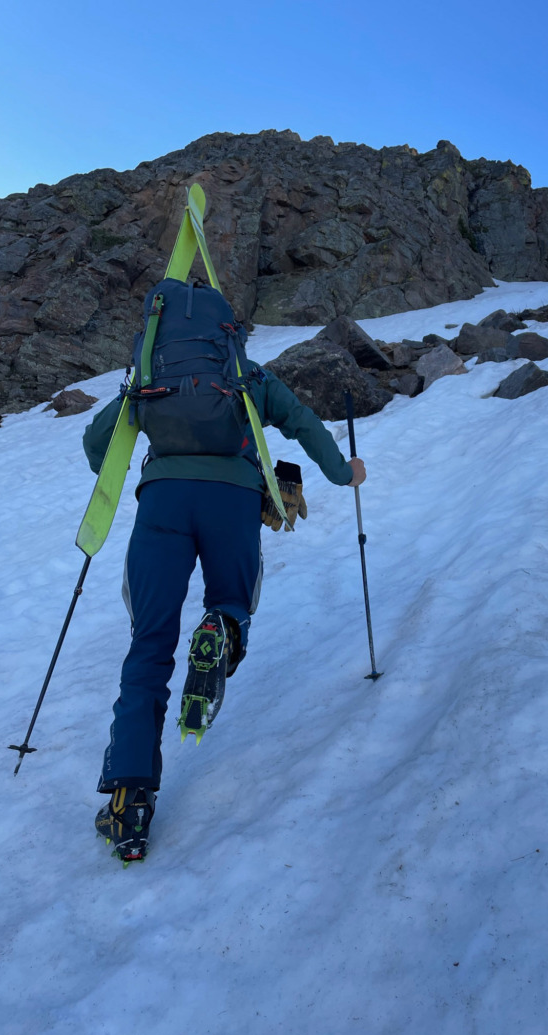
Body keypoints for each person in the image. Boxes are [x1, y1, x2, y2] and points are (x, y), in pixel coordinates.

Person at [83, 331, 366, 864]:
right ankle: (223, 628)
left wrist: (144, 416)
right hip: (233, 499)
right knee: (233, 599)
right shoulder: (247, 375)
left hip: (161, 500)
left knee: (148, 647)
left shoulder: (149, 379)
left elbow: (98, 448)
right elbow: (302, 420)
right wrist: (343, 471)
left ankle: (129, 802)